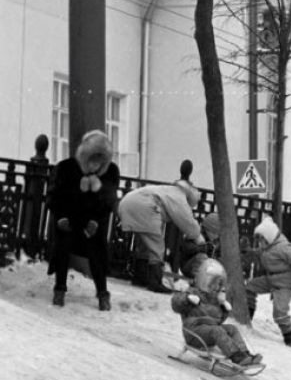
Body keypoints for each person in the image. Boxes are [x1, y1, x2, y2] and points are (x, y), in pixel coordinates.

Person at [46, 130, 120, 311]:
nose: (96, 165)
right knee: (62, 248)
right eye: (92, 160)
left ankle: (103, 295)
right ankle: (59, 290)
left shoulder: (110, 172)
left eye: (100, 162)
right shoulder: (66, 168)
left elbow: (108, 201)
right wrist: (61, 217)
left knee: (97, 255)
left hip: (91, 223)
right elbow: (54, 196)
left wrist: (96, 221)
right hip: (68, 220)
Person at [117, 178, 205, 293]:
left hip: (128, 203)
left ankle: (140, 277)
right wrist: (199, 237)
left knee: (145, 244)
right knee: (157, 246)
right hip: (144, 207)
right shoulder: (179, 197)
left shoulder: (170, 190)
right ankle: (154, 282)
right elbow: (187, 221)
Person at [171, 258, 262, 366]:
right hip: (194, 333)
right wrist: (188, 299)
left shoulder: (214, 299)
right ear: (205, 281)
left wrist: (224, 309)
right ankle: (236, 356)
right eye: (214, 284)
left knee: (232, 329)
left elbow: (218, 321)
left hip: (209, 334)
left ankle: (245, 354)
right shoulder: (192, 292)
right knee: (216, 330)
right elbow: (176, 304)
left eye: (219, 284)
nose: (217, 287)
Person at [246, 215, 291, 348]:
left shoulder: (283, 247)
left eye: (261, 240)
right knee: (250, 286)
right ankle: (248, 318)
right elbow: (260, 253)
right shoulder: (267, 247)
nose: (260, 243)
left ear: (268, 237)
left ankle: (289, 340)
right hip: (272, 279)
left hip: (285, 285)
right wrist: (248, 252)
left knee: (280, 311)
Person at [178, 211, 221, 279]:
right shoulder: (196, 235)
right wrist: (202, 248)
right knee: (201, 257)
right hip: (188, 266)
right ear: (206, 229)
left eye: (218, 234)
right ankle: (198, 279)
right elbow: (186, 248)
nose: (216, 236)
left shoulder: (215, 242)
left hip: (207, 270)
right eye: (213, 233)